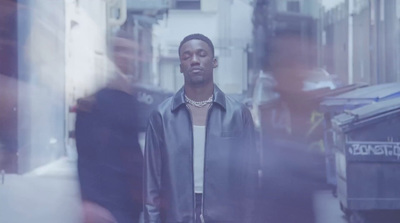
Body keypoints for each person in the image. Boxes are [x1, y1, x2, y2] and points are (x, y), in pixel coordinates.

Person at [144, 33, 258, 223]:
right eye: (187, 56)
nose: (194, 60)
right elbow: (152, 185)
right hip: (177, 215)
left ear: (214, 62)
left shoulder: (238, 114)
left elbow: (249, 182)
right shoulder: (161, 117)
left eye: (201, 54)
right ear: (181, 67)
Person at [75, 30, 143, 223]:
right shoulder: (94, 102)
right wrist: (88, 200)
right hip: (105, 199)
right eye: (120, 50)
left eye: (131, 51)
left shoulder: (134, 97)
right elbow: (85, 154)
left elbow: (133, 147)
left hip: (131, 197)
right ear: (112, 54)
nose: (126, 56)